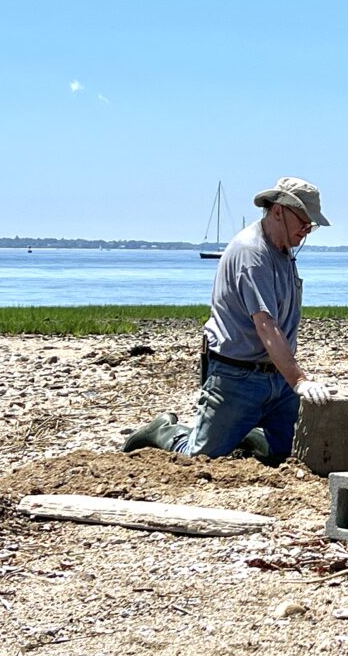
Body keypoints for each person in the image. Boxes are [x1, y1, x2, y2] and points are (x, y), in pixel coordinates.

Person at [122, 176, 335, 463]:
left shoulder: (285, 252)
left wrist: (290, 381)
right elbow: (266, 326)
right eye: (303, 220)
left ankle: (246, 432)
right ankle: (164, 430)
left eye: (312, 224)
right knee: (198, 457)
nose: (307, 229)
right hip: (236, 376)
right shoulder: (251, 252)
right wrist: (300, 381)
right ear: (278, 211)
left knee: (290, 452)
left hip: (278, 379)